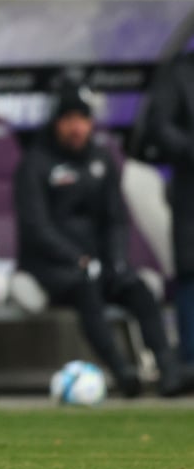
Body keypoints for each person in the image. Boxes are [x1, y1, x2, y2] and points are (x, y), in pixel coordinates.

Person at [14, 83, 194, 397]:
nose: (76, 127)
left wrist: (118, 259)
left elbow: (117, 219)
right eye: (68, 119)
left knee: (138, 290)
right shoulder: (34, 164)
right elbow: (35, 228)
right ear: (56, 122)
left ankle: (169, 372)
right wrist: (77, 259)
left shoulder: (101, 159)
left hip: (101, 262)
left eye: (82, 119)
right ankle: (123, 373)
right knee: (87, 289)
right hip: (54, 267)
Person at [144, 56, 194, 364]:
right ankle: (190, 361)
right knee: (191, 272)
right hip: (191, 190)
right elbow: (159, 127)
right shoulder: (180, 73)